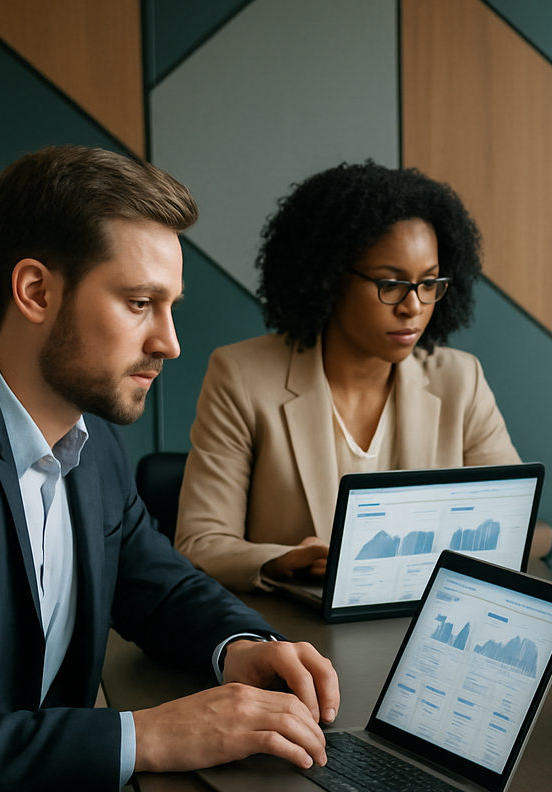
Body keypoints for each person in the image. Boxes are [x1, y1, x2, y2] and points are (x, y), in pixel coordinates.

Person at [0, 145, 339, 792]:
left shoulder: (91, 438)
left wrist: (245, 647)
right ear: (35, 292)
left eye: (170, 306)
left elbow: (158, 581)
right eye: (140, 303)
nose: (170, 342)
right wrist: (142, 737)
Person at [175, 161, 524, 592]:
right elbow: (200, 543)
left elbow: (512, 525)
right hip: (297, 639)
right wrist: (285, 561)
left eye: (429, 283)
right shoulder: (243, 377)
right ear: (327, 278)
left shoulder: (461, 380)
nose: (413, 306)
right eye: (390, 283)